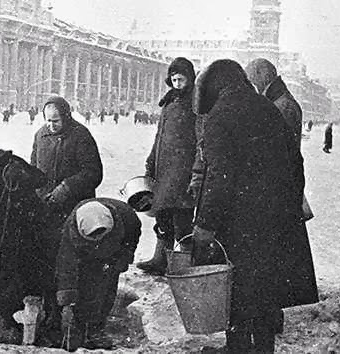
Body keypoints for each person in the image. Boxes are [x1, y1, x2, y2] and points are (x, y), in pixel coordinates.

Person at [191, 59, 308, 353]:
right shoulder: (267, 108)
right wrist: (286, 207)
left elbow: (219, 176)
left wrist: (205, 225)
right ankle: (263, 348)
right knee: (265, 293)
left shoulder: (220, 116)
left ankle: (238, 348)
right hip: (273, 219)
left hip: (239, 223)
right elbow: (296, 163)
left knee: (238, 293)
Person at [245, 58, 319, 334]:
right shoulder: (281, 100)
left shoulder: (282, 106)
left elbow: (281, 152)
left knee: (276, 258)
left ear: (263, 78)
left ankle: (271, 318)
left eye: (253, 80)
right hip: (282, 187)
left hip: (279, 189)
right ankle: (271, 315)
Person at [0, 138, 60, 344]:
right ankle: (23, 325)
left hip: (29, 230)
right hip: (15, 229)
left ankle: (21, 326)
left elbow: (39, 179)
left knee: (15, 277)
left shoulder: (7, 165)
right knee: (20, 277)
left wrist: (20, 174)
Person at [137, 57, 198, 276]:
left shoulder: (195, 103)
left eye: (181, 79)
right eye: (173, 79)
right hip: (164, 170)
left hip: (182, 171)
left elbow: (199, 138)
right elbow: (159, 135)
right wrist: (152, 159)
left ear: (190, 79)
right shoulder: (169, 101)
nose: (177, 84)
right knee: (162, 214)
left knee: (182, 218)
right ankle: (160, 258)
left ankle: (186, 264)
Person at [56, 198, 141, 351]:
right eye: (93, 237)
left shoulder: (127, 217)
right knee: (85, 286)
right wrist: (67, 302)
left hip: (112, 253)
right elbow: (66, 267)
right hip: (86, 256)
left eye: (100, 236)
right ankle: (77, 327)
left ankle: (96, 328)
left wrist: (125, 257)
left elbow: (132, 238)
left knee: (107, 288)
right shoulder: (71, 230)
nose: (97, 239)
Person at [31, 95, 103, 223]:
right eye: (48, 120)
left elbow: (93, 173)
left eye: (56, 121)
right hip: (46, 207)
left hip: (74, 207)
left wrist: (67, 187)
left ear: (65, 117)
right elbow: (34, 169)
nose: (51, 125)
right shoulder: (40, 135)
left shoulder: (80, 135)